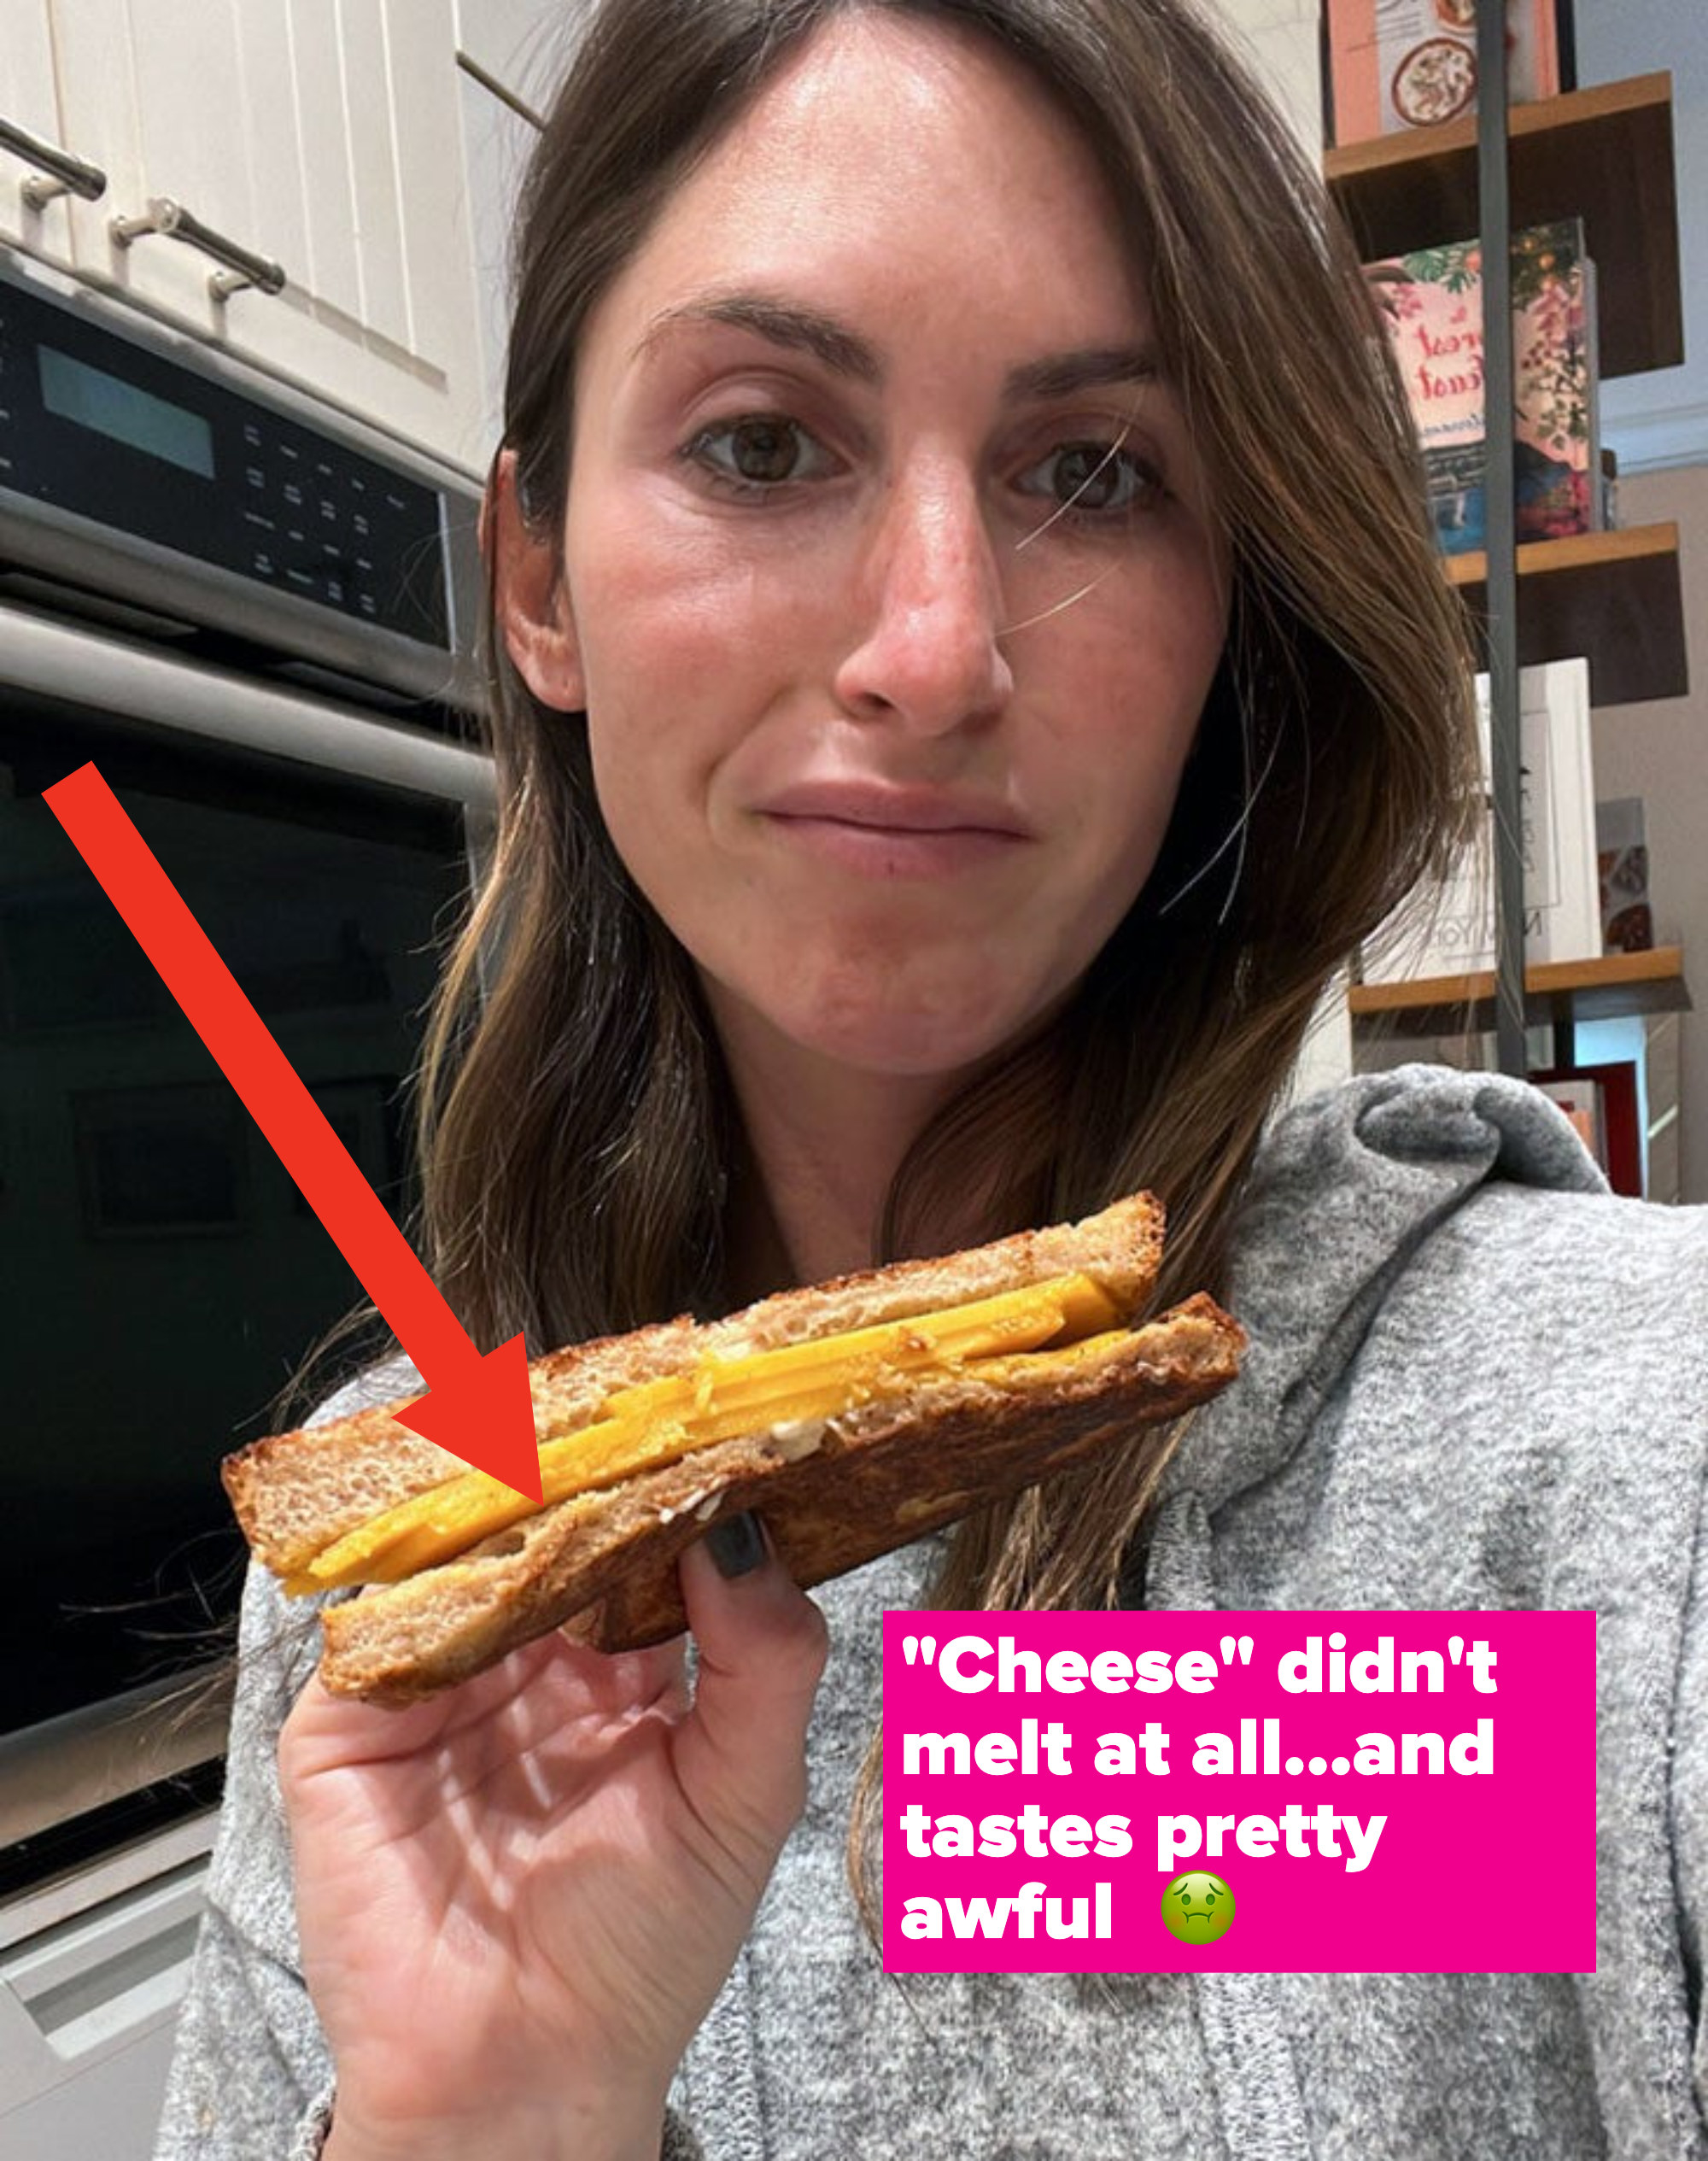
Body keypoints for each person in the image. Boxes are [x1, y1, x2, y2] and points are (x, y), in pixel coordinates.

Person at [154, 2, 1708, 2157]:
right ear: (537, 578)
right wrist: (498, 2115)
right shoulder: (401, 1540)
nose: (933, 644)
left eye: (1094, 473)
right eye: (765, 442)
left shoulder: (1633, 1444)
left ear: (1230, 626)